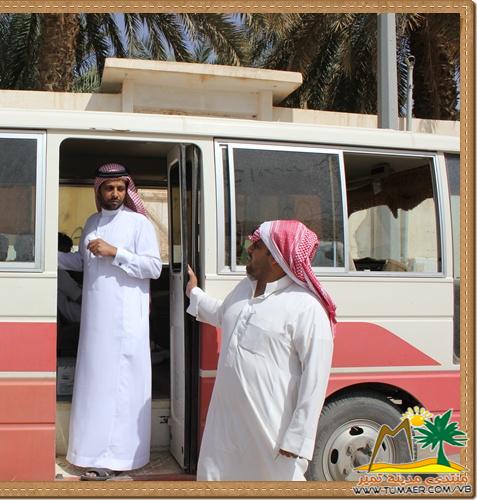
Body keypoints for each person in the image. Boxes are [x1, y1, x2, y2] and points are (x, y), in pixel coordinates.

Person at [186, 220, 335, 481]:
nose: (249, 249)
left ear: (275, 256)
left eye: (256, 245)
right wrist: (194, 293)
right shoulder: (244, 289)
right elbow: (224, 315)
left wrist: (297, 437)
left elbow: (315, 379)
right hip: (225, 426)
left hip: (271, 431)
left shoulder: (306, 308)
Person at [58, 163, 161, 480]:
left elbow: (154, 267)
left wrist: (116, 252)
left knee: (121, 388)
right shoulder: (92, 222)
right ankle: (89, 453)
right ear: (99, 190)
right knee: (95, 386)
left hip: (124, 323)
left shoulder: (139, 223)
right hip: (95, 323)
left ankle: (118, 458)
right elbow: (83, 261)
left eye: (120, 188)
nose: (115, 194)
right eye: (109, 188)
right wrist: (42, 254)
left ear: (126, 190)